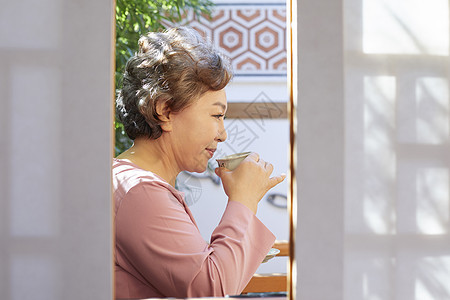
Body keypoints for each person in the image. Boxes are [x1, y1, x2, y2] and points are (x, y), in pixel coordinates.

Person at [113, 26, 286, 299]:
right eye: (217, 115)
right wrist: (243, 200)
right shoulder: (141, 191)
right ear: (165, 111)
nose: (223, 133)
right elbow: (210, 289)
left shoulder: (132, 181)